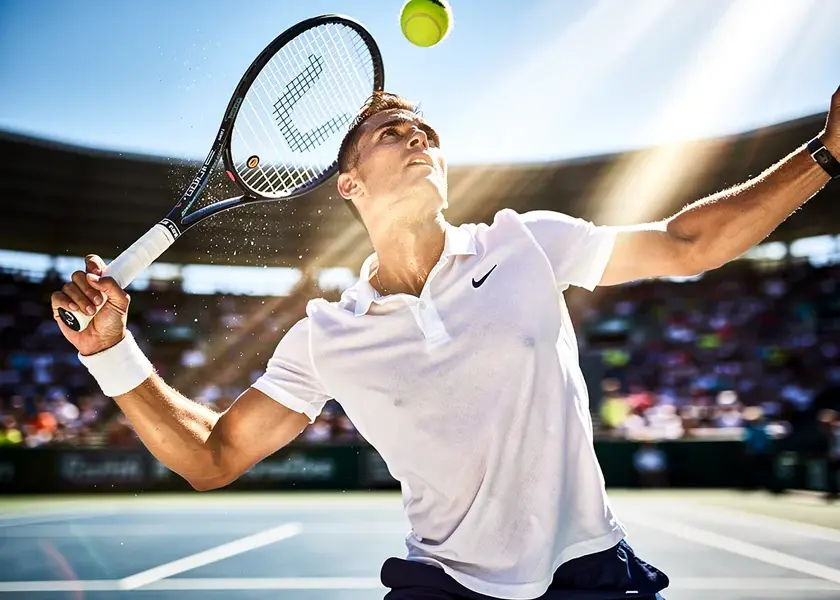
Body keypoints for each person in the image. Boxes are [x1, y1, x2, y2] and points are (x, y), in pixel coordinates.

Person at [51, 87, 840, 600]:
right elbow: (212, 457)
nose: (420, 138)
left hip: (595, 575)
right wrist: (109, 351)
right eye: (395, 134)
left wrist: (828, 153)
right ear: (349, 184)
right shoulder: (328, 335)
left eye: (428, 131)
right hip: (441, 590)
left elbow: (688, 243)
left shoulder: (526, 242)